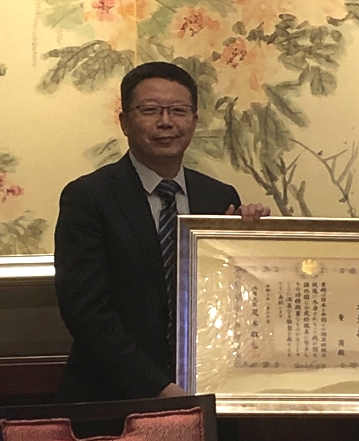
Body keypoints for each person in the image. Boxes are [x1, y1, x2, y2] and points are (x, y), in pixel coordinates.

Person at [54, 61, 270, 404]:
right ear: (124, 122)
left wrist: (251, 239)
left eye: (178, 111)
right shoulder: (88, 197)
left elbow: (231, 302)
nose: (166, 122)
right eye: (151, 110)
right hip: (113, 398)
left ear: (194, 121)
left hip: (207, 391)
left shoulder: (219, 198)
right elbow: (87, 313)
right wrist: (159, 388)